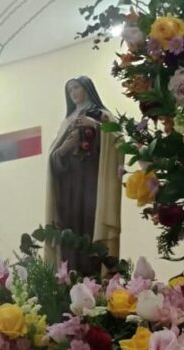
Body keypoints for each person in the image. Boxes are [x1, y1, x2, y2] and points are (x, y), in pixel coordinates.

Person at [44, 76, 122, 276]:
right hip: (68, 187)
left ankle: (95, 278)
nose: (73, 93)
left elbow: (118, 142)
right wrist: (62, 151)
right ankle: (70, 277)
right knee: (69, 232)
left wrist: (96, 126)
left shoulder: (102, 115)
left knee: (89, 227)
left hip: (92, 183)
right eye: (70, 90)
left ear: (87, 88)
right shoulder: (67, 122)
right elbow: (54, 159)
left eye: (76, 87)